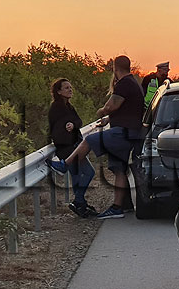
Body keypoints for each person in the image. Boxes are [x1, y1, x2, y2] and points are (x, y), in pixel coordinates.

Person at [53, 55, 145, 219]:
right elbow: (128, 110)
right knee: (119, 169)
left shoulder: (124, 84)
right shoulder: (134, 83)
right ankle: (120, 207)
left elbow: (111, 106)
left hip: (123, 133)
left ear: (115, 68)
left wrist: (102, 112)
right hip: (131, 132)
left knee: (89, 140)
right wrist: (109, 119)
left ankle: (65, 164)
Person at [48, 79, 98, 217]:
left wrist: (73, 124)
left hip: (74, 145)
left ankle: (80, 203)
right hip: (67, 147)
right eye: (66, 88)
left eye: (70, 87)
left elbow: (78, 121)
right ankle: (79, 201)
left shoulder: (68, 106)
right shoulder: (56, 108)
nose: (70, 90)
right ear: (58, 91)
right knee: (88, 172)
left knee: (77, 175)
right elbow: (57, 129)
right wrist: (69, 126)